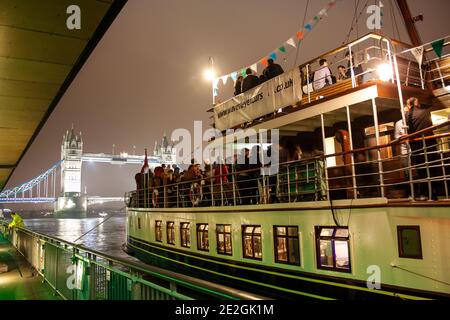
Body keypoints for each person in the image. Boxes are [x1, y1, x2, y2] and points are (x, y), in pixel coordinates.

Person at [406, 97, 440, 200]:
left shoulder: (407, 116)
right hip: (430, 144)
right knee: (433, 169)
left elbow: (409, 132)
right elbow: (430, 125)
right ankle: (434, 194)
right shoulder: (425, 112)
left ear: (409, 105)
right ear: (416, 103)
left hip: (417, 146)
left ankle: (425, 193)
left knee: (422, 170)